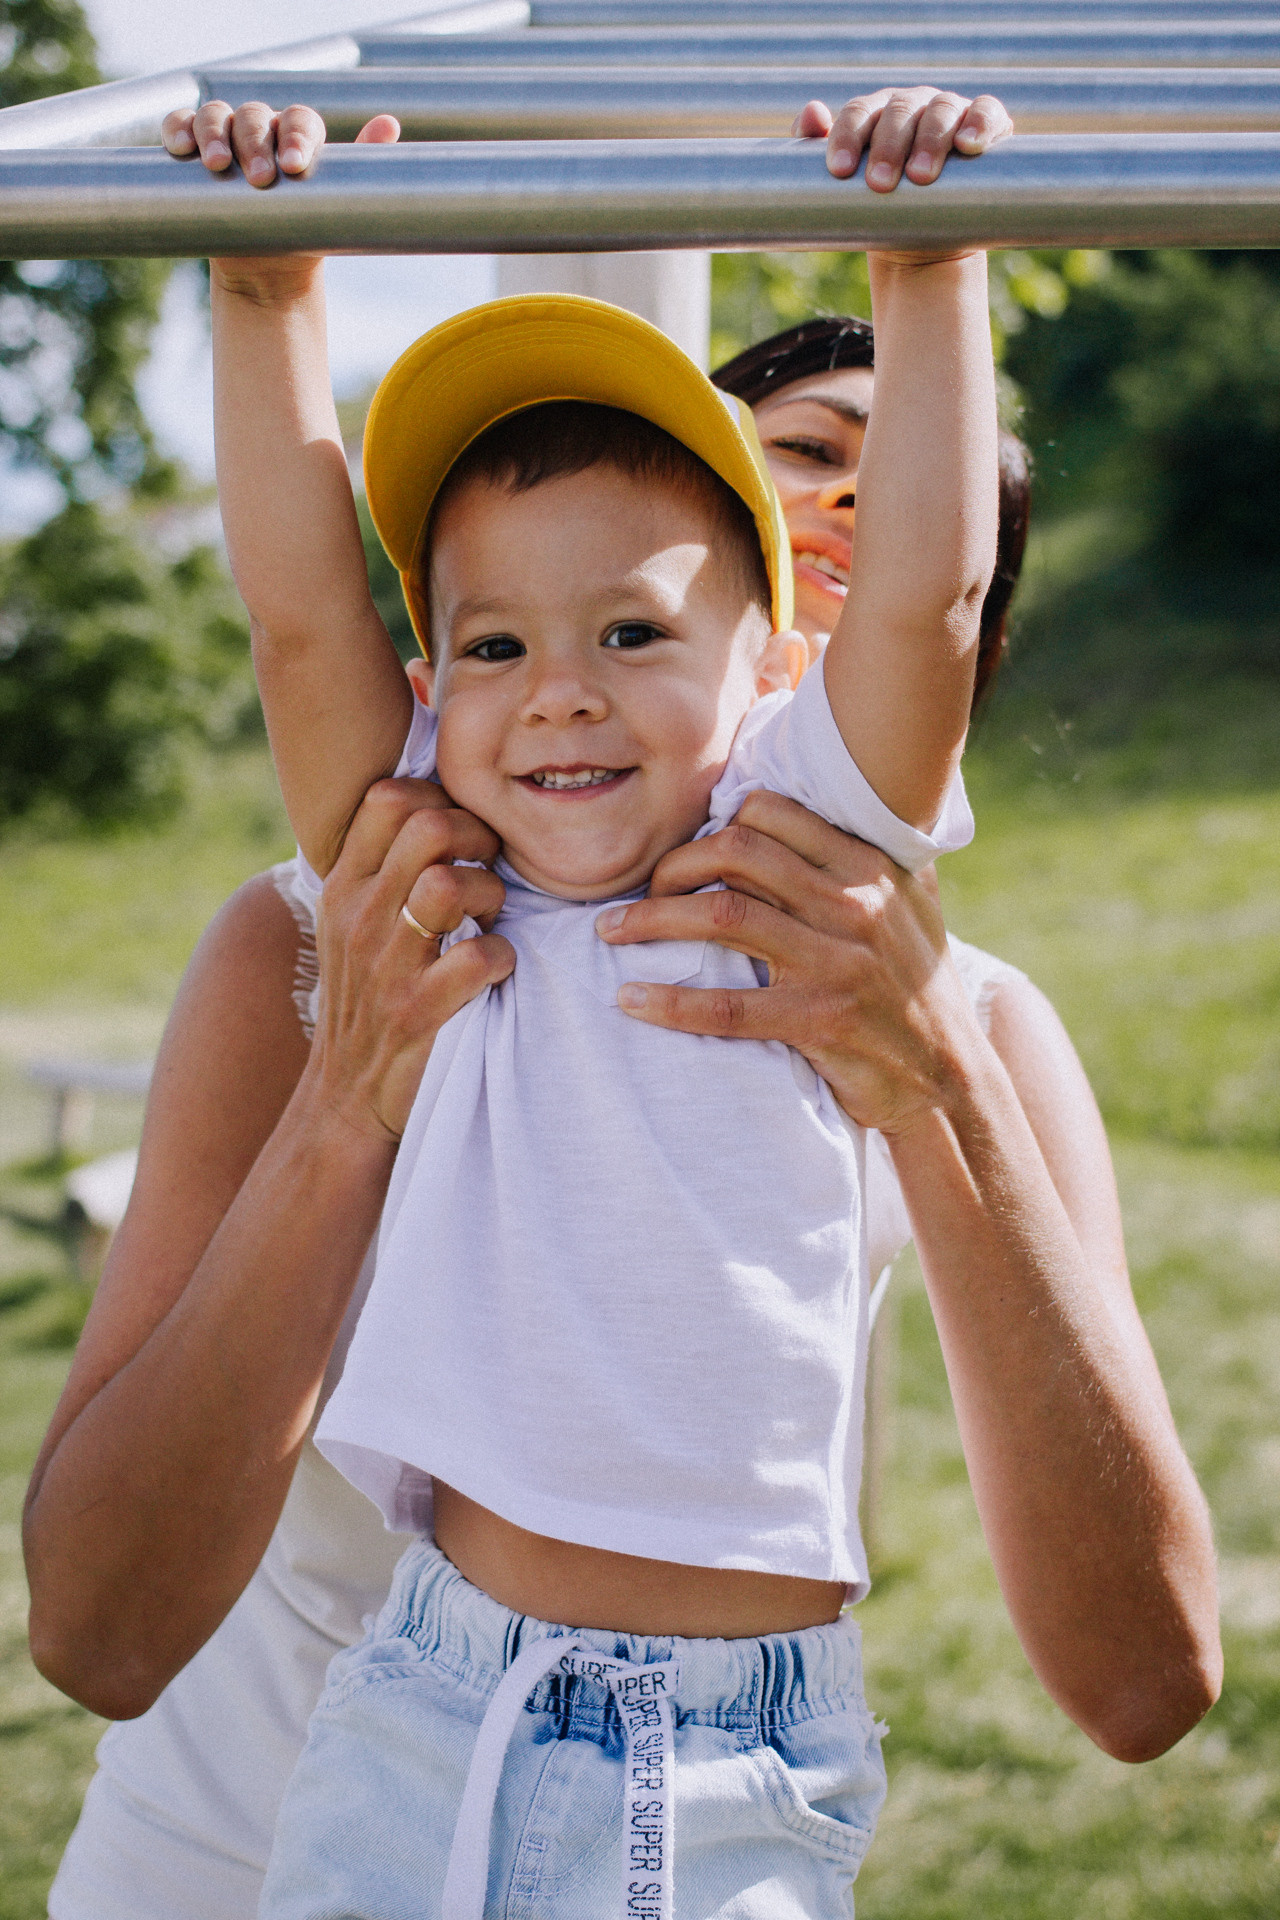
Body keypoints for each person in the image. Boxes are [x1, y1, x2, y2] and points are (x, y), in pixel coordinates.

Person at [26, 90, 1219, 1920]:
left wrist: (931, 260)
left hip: (720, 1743)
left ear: (780, 663)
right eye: (499, 642)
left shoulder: (816, 835)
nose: (558, 689)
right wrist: (267, 304)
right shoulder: (432, 866)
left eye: (636, 629)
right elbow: (299, 622)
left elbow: (927, 601)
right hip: (408, 1699)